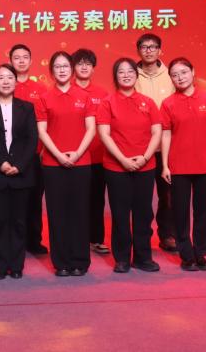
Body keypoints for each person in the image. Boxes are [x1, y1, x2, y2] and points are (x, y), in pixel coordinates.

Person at [97, 57, 162, 273]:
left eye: (130, 71)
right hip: (116, 167)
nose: (126, 75)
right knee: (120, 213)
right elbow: (104, 134)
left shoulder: (148, 102)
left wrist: (144, 157)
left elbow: (156, 132)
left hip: (145, 165)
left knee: (143, 213)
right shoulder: (108, 102)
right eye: (121, 72)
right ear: (115, 77)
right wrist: (123, 160)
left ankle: (143, 257)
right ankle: (122, 258)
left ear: (136, 75)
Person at [35, 51, 96, 277]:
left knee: (80, 211)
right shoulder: (44, 98)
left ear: (72, 70)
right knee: (57, 213)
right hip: (53, 164)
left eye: (65, 66)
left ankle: (80, 261)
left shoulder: (85, 96)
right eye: (57, 67)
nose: (62, 70)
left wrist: (77, 153)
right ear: (51, 71)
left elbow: (91, 128)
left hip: (81, 163)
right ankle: (61, 262)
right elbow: (42, 131)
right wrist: (59, 156)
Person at [0, 64, 38, 280]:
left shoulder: (27, 108)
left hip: (22, 173)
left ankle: (17, 265)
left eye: (10, 77)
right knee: (0, 221)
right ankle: (0, 266)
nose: (5, 81)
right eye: (1, 77)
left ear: (16, 81)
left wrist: (19, 165)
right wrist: (1, 164)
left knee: (19, 221)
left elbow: (32, 139)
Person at [160, 57, 206, 272]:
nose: (180, 78)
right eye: (175, 75)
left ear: (193, 72)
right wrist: (165, 165)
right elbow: (166, 135)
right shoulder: (168, 103)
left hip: (205, 164)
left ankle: (201, 254)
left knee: (203, 211)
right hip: (178, 166)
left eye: (184, 72)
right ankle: (186, 255)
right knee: (180, 211)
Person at [134, 33, 177, 253]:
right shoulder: (131, 75)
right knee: (141, 196)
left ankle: (168, 234)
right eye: (144, 47)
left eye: (153, 47)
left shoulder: (171, 75)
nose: (149, 50)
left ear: (160, 50)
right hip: (141, 146)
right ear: (138, 51)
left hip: (168, 147)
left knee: (168, 195)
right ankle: (142, 237)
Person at [9, 43, 49, 255]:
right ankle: (14, 240)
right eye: (17, 57)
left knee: (34, 199)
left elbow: (47, 122)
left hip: (35, 154)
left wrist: (43, 149)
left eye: (25, 57)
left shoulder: (41, 89)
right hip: (11, 154)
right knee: (13, 200)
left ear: (31, 61)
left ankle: (34, 240)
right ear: (10, 61)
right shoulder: (6, 85)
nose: (21, 61)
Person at [72, 49, 111, 255]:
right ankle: (76, 239)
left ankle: (96, 239)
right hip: (72, 156)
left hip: (97, 156)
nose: (84, 67)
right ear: (73, 67)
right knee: (74, 200)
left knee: (97, 199)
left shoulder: (102, 94)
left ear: (94, 68)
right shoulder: (66, 89)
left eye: (88, 63)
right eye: (80, 63)